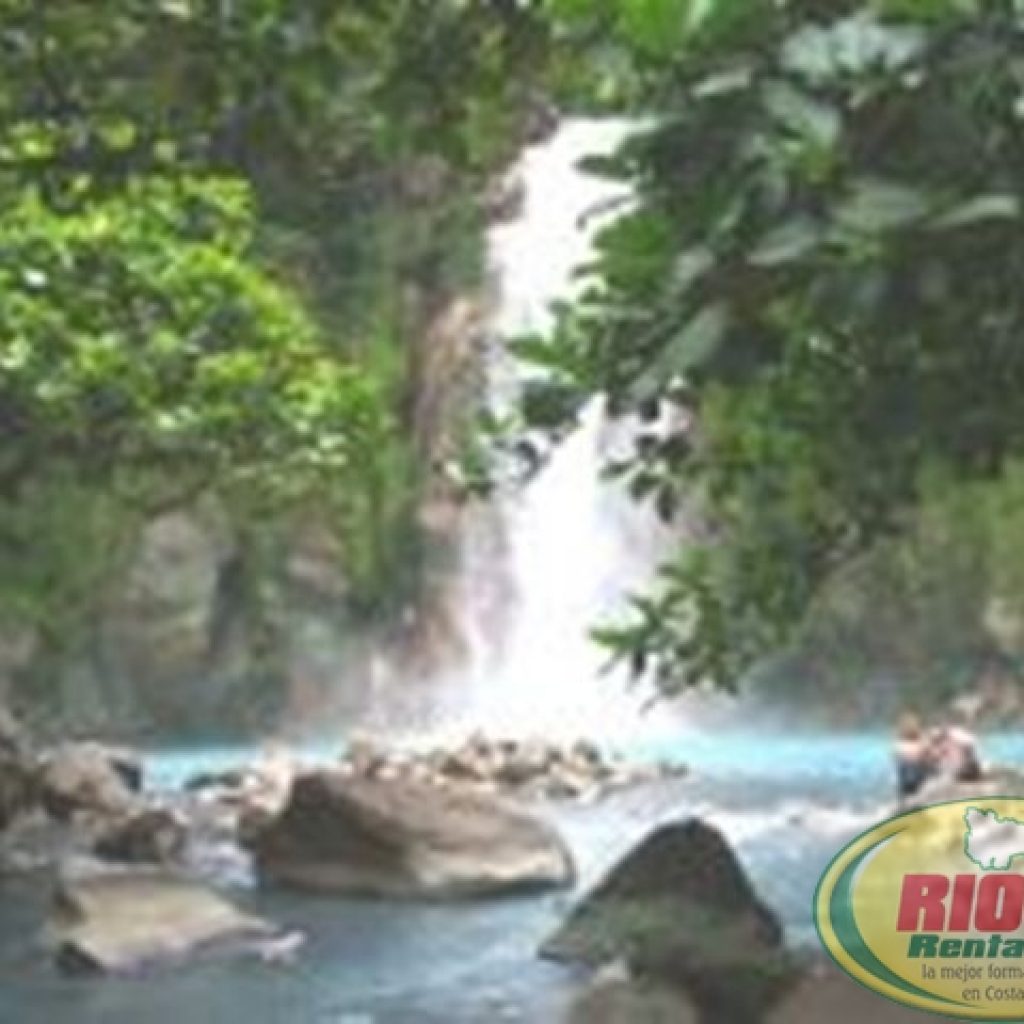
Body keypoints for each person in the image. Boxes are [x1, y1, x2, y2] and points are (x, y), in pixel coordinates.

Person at [894, 712, 933, 802]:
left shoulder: (898, 744)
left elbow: (895, 758)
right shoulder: (922, 743)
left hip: (904, 780)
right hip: (917, 778)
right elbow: (928, 758)